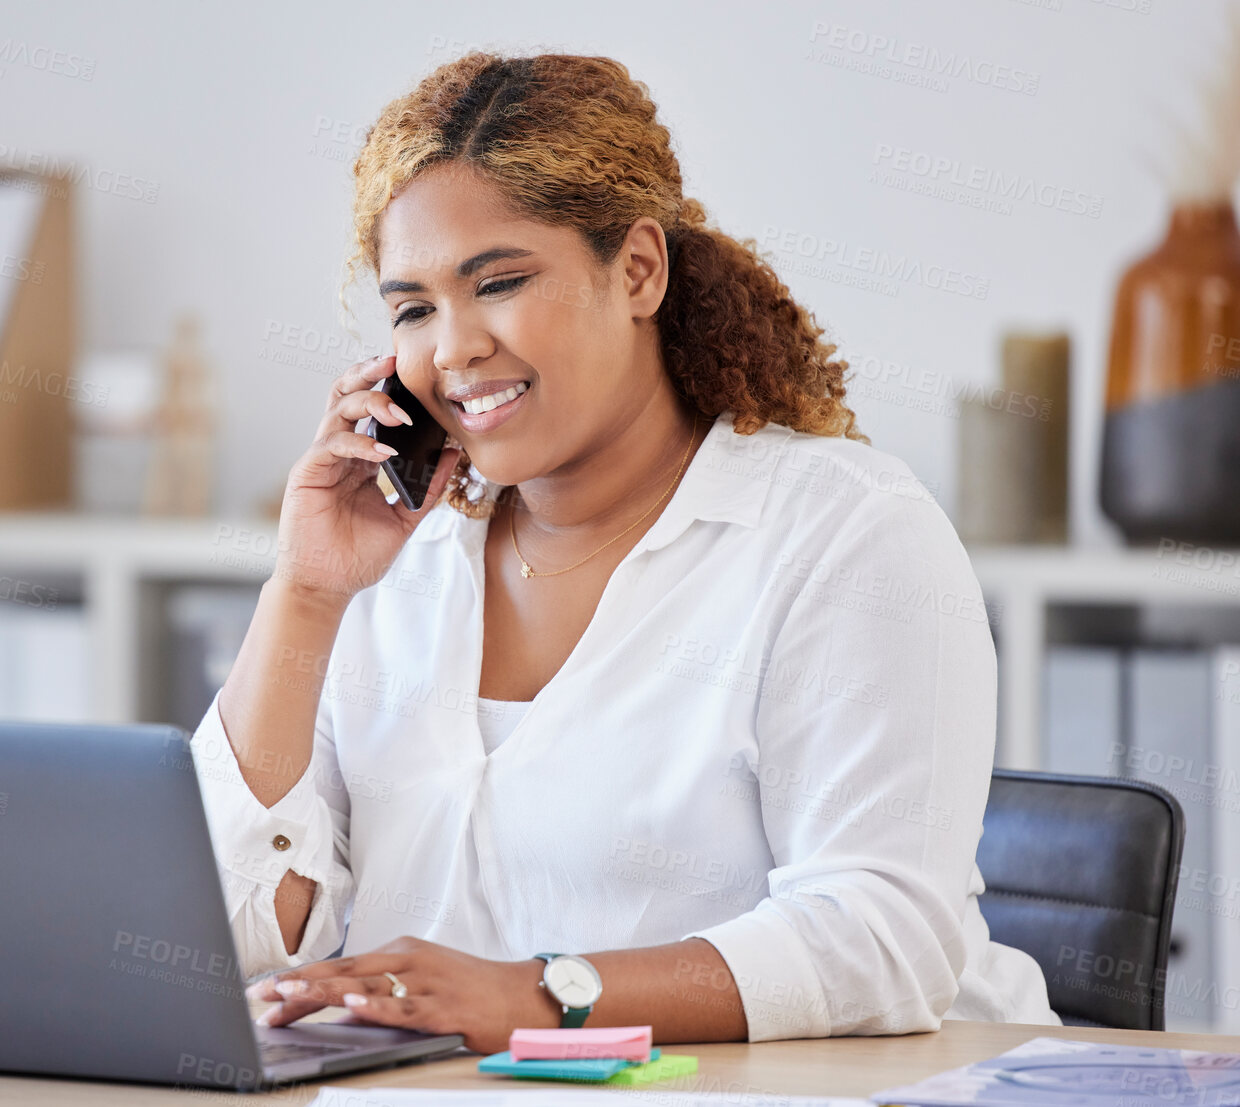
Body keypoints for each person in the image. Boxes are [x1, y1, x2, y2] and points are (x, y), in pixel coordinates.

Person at [188, 52, 1057, 1054]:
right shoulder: (398, 562)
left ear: (637, 269)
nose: (454, 347)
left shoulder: (842, 534)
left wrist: (534, 997)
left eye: (499, 282)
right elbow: (232, 947)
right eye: (413, 308)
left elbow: (880, 941)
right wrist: (304, 591)